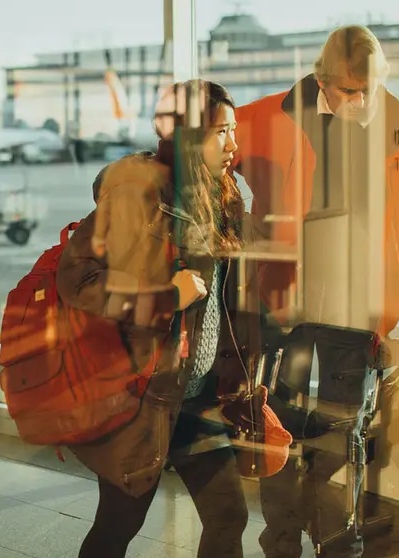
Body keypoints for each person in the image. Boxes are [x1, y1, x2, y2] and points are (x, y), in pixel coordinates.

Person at [231, 26, 399, 557]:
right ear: (322, 81)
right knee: (279, 427)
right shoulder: (269, 116)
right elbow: (208, 155)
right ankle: (282, 539)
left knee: (341, 433)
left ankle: (330, 532)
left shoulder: (397, 127)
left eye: (367, 90)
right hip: (288, 308)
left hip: (358, 311)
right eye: (348, 91)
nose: (359, 101)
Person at [59, 80, 276, 558]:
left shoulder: (225, 197)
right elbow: (76, 280)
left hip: (199, 397)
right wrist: (162, 297)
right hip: (144, 400)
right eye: (222, 132)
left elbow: (231, 297)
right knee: (117, 526)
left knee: (228, 515)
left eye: (234, 131)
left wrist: (246, 373)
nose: (233, 144)